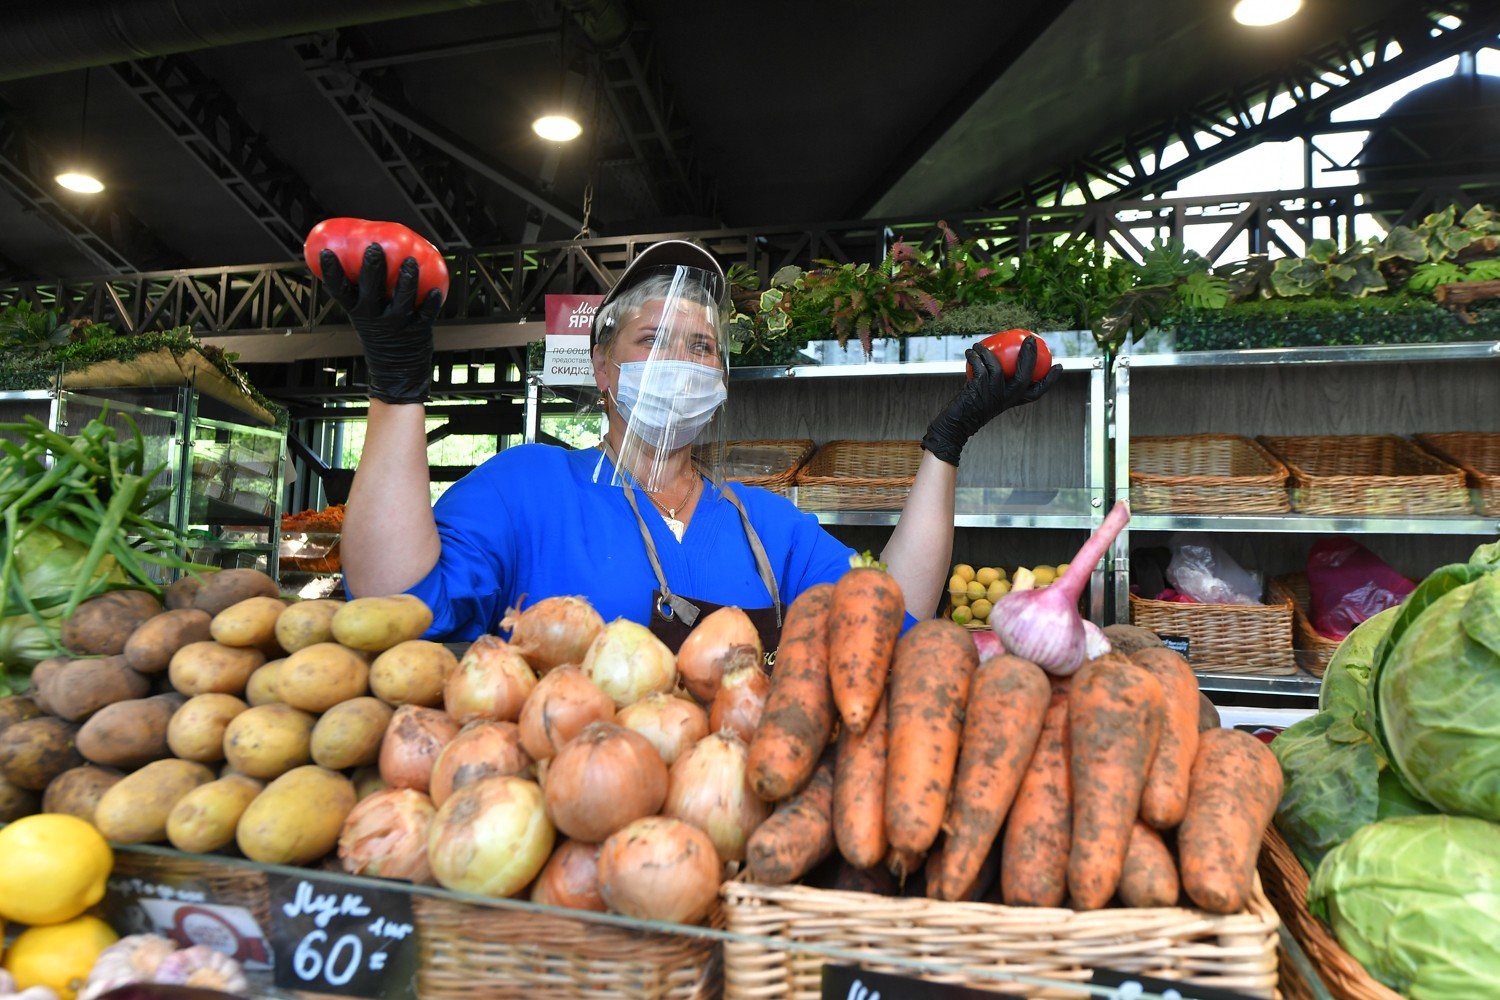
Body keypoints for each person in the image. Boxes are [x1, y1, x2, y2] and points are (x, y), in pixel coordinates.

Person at [323, 239, 1060, 652]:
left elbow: (890, 615)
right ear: (605, 371)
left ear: (721, 378)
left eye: (701, 346)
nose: (680, 361)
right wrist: (396, 389)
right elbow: (397, 604)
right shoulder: (529, 487)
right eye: (654, 340)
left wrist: (947, 441)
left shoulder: (762, 525)